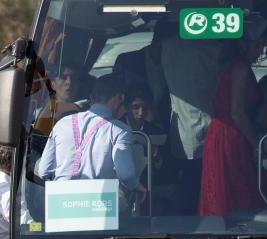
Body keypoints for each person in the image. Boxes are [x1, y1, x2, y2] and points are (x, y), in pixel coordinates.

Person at [39, 75, 146, 207]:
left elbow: (43, 170)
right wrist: (137, 187)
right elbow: (126, 174)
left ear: (93, 98)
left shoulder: (61, 124)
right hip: (99, 204)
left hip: (60, 204)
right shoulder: (120, 130)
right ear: (119, 98)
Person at [198, 17, 267, 216]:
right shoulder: (241, 68)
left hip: (220, 132)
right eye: (258, 46)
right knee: (238, 186)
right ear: (244, 45)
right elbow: (237, 112)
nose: (261, 51)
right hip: (232, 135)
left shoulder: (226, 66)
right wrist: (257, 144)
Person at [161, 30, 223, 214]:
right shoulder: (216, 47)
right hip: (212, 123)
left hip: (185, 127)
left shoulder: (169, 46)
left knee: (191, 181)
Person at [113, 18, 174, 128]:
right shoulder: (127, 61)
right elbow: (116, 99)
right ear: (157, 42)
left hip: (167, 128)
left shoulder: (178, 65)